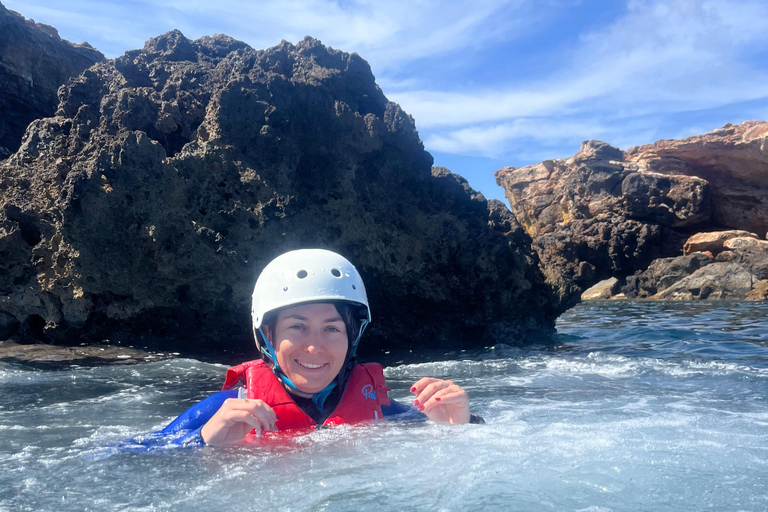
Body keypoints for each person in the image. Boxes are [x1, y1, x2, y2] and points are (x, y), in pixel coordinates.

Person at [141, 249, 482, 448]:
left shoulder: (382, 411)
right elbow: (115, 458)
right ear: (268, 337)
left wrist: (456, 425)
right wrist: (201, 444)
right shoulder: (222, 410)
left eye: (332, 328)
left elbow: (460, 440)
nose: (315, 346)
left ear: (352, 338)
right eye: (297, 327)